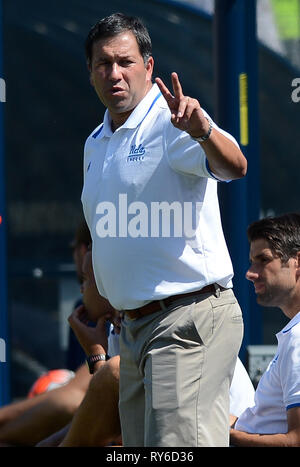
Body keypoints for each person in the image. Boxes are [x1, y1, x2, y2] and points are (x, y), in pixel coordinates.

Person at [82, 12, 247, 447]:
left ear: (149, 67)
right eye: (103, 64)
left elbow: (235, 166)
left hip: (185, 317)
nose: (114, 73)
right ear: (90, 72)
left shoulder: (173, 119)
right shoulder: (94, 142)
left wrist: (204, 130)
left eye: (125, 61)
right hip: (134, 332)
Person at [230, 213, 300, 447]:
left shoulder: (298, 337)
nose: (250, 273)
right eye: (252, 261)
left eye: (263, 260)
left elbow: (295, 441)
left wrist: (224, 434)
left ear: (297, 262)